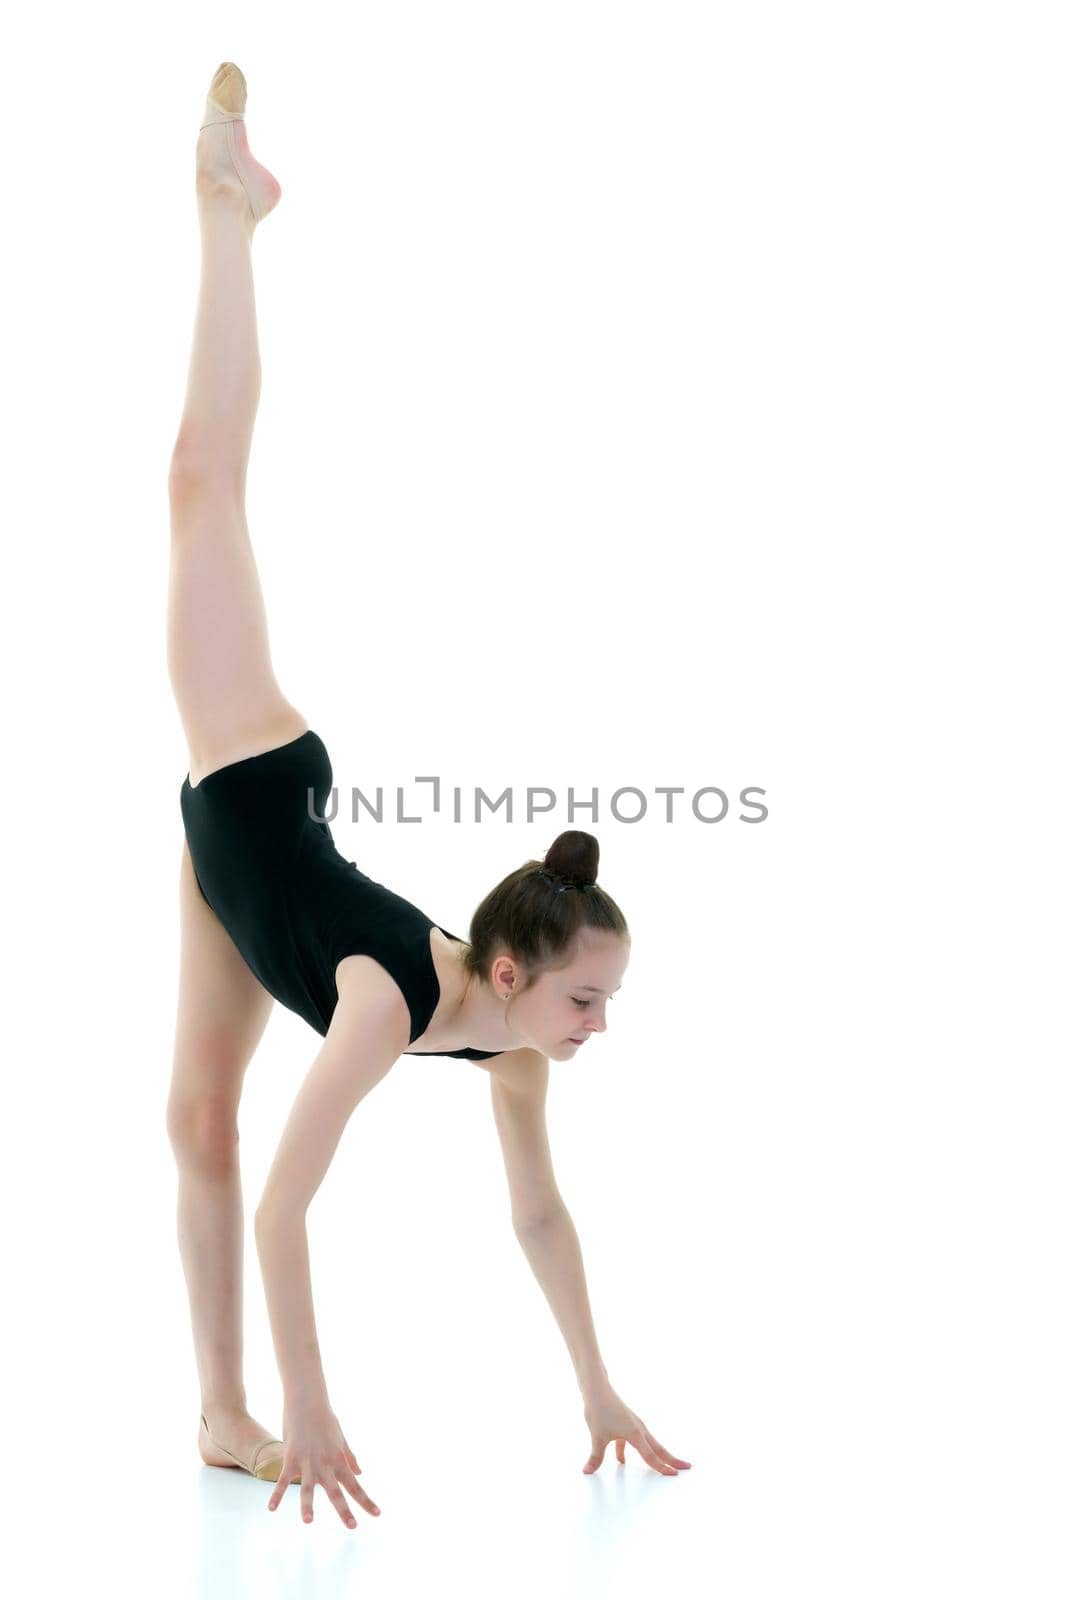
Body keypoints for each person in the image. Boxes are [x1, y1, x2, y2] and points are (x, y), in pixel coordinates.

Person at [166, 61, 688, 1530]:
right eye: (586, 1002)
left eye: (605, 1008)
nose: (597, 1029)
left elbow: (539, 1216)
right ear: (513, 973)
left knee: (196, 1121)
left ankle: (220, 1415)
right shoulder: (392, 1006)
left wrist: (596, 1384)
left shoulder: (503, 1052)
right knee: (201, 486)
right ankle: (229, 209)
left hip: (231, 870)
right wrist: (322, 1402)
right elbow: (291, 1209)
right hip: (254, 768)